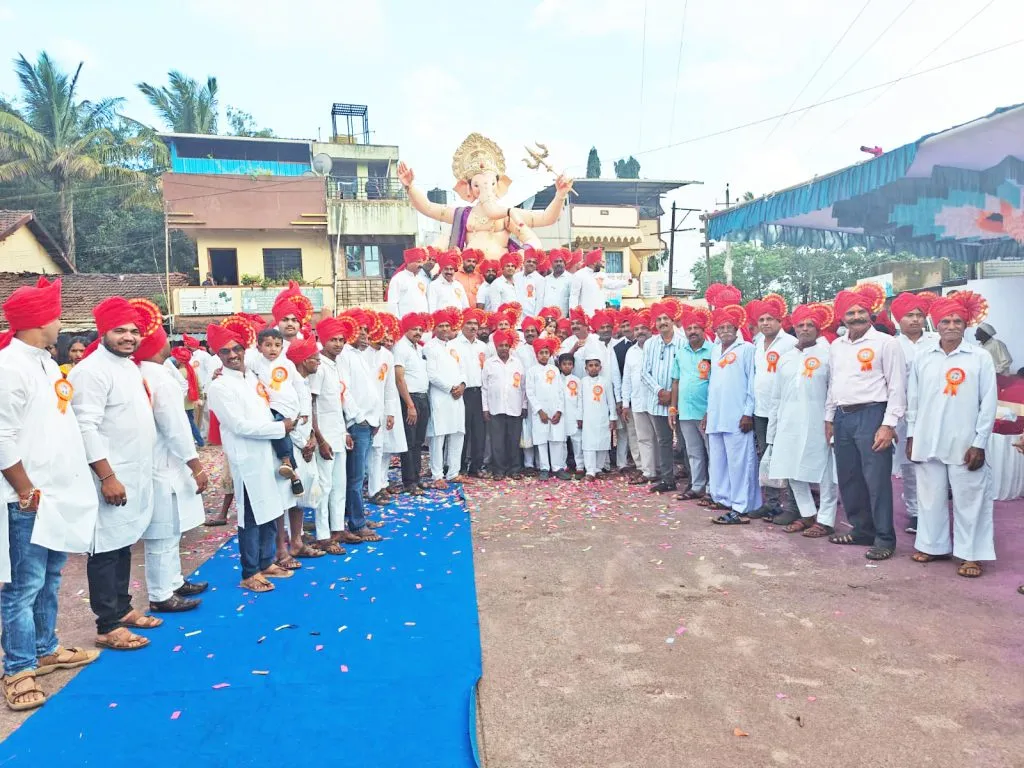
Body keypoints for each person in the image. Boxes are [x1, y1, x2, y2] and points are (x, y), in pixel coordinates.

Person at [0, 277, 100, 710]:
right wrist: (25, 490)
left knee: (51, 577)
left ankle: (45, 648)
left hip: (55, 494)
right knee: (24, 585)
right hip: (28, 496)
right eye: (56, 316)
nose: (61, 324)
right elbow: (1, 434)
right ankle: (19, 668)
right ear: (39, 321)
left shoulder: (42, 361)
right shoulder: (9, 367)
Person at [69, 297, 159, 649]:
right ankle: (107, 624)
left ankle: (122, 609)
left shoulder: (129, 368)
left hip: (132, 474)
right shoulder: (90, 371)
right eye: (120, 330)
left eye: (134, 331)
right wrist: (107, 476)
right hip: (107, 477)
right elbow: (85, 427)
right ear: (103, 332)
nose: (129, 337)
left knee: (123, 544)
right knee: (105, 549)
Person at [907, 295, 997, 578]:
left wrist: (979, 443)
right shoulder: (923, 357)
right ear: (937, 323)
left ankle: (971, 555)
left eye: (957, 321)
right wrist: (912, 436)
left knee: (970, 499)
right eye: (945, 321)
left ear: (966, 324)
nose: (951, 326)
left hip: (965, 442)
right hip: (928, 438)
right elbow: (914, 401)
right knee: (930, 497)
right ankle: (933, 546)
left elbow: (988, 403)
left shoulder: (980, 357)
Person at [205, 324, 295, 593]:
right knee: (251, 517)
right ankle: (249, 571)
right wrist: (280, 429)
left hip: (266, 455)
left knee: (270, 510)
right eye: (225, 351)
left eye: (236, 348)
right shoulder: (219, 386)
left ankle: (266, 562)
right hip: (246, 460)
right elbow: (238, 425)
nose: (232, 354)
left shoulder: (252, 378)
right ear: (217, 354)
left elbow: (269, 409)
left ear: (244, 350)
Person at [825, 288, 906, 561]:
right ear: (842, 317)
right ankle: (862, 529)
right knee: (849, 477)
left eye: (861, 311)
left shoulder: (886, 343)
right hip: (843, 416)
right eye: (851, 312)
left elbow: (897, 386)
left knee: (876, 480)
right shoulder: (837, 347)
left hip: (873, 415)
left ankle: (884, 537)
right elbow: (833, 385)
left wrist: (889, 424)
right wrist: (829, 418)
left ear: (870, 313)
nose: (857, 316)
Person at [136, 326, 209, 613]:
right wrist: (195, 464)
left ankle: (174, 581)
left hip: (165, 462)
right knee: (162, 533)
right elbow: (175, 427)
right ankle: (160, 593)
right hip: (162, 464)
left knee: (173, 529)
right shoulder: (157, 377)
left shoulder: (154, 371)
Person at [766, 304, 838, 538]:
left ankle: (826, 519)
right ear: (794, 328)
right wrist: (772, 430)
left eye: (810, 325)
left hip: (820, 422)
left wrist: (832, 421)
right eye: (801, 325)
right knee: (790, 466)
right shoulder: (786, 358)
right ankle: (807, 514)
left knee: (826, 473)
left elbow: (834, 392)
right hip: (788, 422)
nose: (805, 329)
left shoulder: (829, 355)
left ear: (818, 328)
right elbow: (776, 397)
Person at [704, 307, 760, 525]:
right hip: (717, 416)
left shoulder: (747, 349)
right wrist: (709, 413)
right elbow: (713, 385)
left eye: (729, 327)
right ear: (716, 331)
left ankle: (742, 506)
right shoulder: (716, 350)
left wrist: (748, 413)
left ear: (737, 329)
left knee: (740, 463)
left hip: (738, 417)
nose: (725, 331)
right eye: (721, 328)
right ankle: (724, 498)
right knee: (719, 461)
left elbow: (752, 382)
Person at [890, 292, 939, 534]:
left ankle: (935, 512)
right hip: (903, 414)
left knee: (933, 463)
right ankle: (915, 513)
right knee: (908, 465)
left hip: (934, 412)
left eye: (919, 315)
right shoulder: (891, 344)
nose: (915, 319)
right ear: (899, 318)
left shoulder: (936, 340)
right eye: (909, 315)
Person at [746, 299, 797, 523]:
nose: (765, 323)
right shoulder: (757, 344)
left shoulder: (790, 343)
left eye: (770, 319)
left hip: (784, 412)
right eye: (762, 320)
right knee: (766, 457)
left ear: (780, 321)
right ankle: (771, 504)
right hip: (761, 411)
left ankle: (794, 507)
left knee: (787, 458)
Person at [337, 310, 384, 543]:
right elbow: (343, 389)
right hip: (357, 423)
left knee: (358, 475)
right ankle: (357, 523)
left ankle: (356, 517)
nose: (365, 335)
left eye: (366, 331)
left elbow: (370, 391)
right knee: (355, 477)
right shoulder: (345, 354)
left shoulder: (360, 355)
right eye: (360, 331)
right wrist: (359, 418)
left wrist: (374, 419)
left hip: (368, 422)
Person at [309, 316, 354, 553]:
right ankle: (323, 535)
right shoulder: (319, 366)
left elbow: (336, 404)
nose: (338, 344)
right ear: (323, 341)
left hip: (338, 434)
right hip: (324, 437)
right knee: (324, 486)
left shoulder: (335, 366)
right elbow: (312, 403)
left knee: (339, 484)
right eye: (333, 340)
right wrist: (319, 437)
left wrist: (345, 431)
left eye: (341, 340)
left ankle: (337, 530)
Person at [281, 337, 326, 562]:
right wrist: (304, 443)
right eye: (315, 359)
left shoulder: (304, 382)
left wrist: (311, 438)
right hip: (294, 447)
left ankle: (297, 541)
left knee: (300, 496)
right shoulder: (291, 384)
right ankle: (288, 544)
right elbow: (292, 419)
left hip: (304, 445)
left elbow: (306, 420)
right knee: (290, 496)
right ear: (302, 360)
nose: (318, 362)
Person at [249, 328, 302, 493]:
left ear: (282, 347)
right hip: (270, 406)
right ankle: (293, 474)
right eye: (268, 345)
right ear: (259, 347)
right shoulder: (253, 363)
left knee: (280, 428)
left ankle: (287, 463)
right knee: (278, 427)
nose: (273, 349)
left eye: (277, 345)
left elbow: (300, 386)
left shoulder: (288, 364)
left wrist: (304, 411)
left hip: (288, 406)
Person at [670, 309, 714, 500]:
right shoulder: (680, 353)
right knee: (693, 452)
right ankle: (697, 487)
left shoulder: (714, 351)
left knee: (712, 452)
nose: (693, 331)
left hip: (706, 412)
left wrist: (711, 411)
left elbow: (717, 384)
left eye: (697, 327)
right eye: (689, 328)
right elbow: (676, 381)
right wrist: (673, 408)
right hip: (686, 412)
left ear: (704, 330)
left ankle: (714, 489)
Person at [641, 301, 683, 493]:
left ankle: (693, 480)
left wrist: (672, 395)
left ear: (673, 320)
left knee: (685, 441)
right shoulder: (650, 344)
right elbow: (644, 373)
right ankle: (668, 479)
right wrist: (660, 391)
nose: (662, 322)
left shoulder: (683, 342)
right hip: (658, 400)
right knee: (664, 441)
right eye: (659, 319)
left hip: (681, 401)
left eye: (666, 318)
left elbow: (687, 371)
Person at [424, 309, 467, 489]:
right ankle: (437, 475)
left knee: (457, 433)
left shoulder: (454, 346)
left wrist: (462, 385)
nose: (444, 329)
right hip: (440, 396)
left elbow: (463, 369)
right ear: (434, 328)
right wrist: (450, 388)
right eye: (440, 325)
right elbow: (431, 374)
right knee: (438, 435)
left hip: (458, 396)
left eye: (447, 326)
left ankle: (453, 472)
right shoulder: (429, 347)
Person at [367, 317, 405, 505]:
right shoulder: (361, 353)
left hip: (381, 410)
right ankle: (366, 489)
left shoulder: (387, 356)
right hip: (362, 411)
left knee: (378, 449)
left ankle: (376, 489)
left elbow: (390, 387)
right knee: (363, 453)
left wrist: (390, 412)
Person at [394, 313, 431, 495]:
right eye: (414, 329)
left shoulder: (418, 348)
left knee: (418, 441)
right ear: (406, 329)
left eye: (420, 329)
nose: (417, 332)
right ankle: (409, 481)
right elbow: (399, 379)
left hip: (423, 398)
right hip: (411, 399)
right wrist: (409, 405)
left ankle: (416, 478)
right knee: (409, 441)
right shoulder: (401, 348)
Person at [482, 330, 525, 480]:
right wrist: (485, 409)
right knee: (497, 442)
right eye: (501, 345)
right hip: (495, 408)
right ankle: (499, 470)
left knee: (513, 441)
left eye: (507, 345)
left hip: (515, 407)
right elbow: (484, 388)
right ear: (496, 346)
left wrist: (524, 405)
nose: (504, 348)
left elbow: (523, 386)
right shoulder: (489, 363)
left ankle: (514, 469)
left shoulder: (517, 363)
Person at [525, 337, 568, 480]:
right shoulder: (532, 371)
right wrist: (539, 411)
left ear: (550, 354)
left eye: (546, 352)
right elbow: (530, 392)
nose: (544, 355)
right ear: (536, 355)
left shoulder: (555, 369)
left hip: (555, 411)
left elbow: (562, 392)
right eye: (541, 353)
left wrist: (559, 411)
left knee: (556, 439)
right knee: (542, 440)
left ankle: (557, 468)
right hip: (540, 413)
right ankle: (544, 468)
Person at [453, 308, 488, 478]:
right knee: (462, 431)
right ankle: (458, 466)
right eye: (469, 323)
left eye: (476, 324)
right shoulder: (454, 345)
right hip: (462, 393)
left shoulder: (483, 347)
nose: (473, 327)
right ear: (461, 325)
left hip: (480, 392)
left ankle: (477, 466)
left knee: (479, 432)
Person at [622, 311, 656, 484]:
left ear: (651, 328)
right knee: (642, 437)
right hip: (637, 401)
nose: (640, 331)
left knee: (659, 438)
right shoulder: (631, 351)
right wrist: (625, 403)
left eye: (644, 327)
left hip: (656, 401)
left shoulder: (657, 347)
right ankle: (647, 471)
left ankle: (661, 470)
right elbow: (626, 379)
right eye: (637, 329)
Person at [579, 355, 617, 479]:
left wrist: (613, 417)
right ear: (586, 368)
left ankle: (599, 468)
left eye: (596, 365)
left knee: (603, 443)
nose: (593, 368)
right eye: (590, 365)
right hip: (588, 418)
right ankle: (590, 471)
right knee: (588, 444)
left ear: (600, 368)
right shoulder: (582, 382)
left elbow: (611, 401)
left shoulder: (605, 382)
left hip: (602, 417)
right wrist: (580, 417)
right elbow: (579, 401)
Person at [569, 249, 631, 316]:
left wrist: (626, 282)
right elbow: (574, 296)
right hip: (585, 315)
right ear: (594, 262)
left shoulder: (601, 275)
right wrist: (573, 315)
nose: (602, 262)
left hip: (600, 314)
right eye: (600, 260)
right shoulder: (579, 275)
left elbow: (611, 284)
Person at [558, 353, 584, 476]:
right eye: (564, 364)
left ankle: (580, 466)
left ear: (573, 366)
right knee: (562, 442)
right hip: (561, 417)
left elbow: (580, 400)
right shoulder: (556, 379)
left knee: (577, 442)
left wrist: (580, 417)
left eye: (569, 364)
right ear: (559, 365)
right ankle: (563, 466)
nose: (567, 367)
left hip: (574, 416)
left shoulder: (577, 380)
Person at [387, 248, 431, 319]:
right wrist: (398, 321)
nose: (421, 265)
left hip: (422, 323)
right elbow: (392, 304)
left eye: (422, 262)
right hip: (406, 323)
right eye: (418, 262)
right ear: (409, 263)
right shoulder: (398, 279)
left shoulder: (424, 279)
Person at [514, 248, 547, 318]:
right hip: (517, 317)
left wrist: (535, 318)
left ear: (536, 265)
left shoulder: (540, 279)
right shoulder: (516, 277)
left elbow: (540, 301)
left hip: (531, 318)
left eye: (534, 262)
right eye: (529, 261)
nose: (531, 263)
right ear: (524, 263)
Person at [544, 249, 573, 316]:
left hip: (563, 317)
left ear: (564, 263)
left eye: (561, 261)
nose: (558, 263)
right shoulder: (546, 279)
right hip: (548, 318)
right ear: (552, 263)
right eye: (556, 261)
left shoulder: (571, 278)